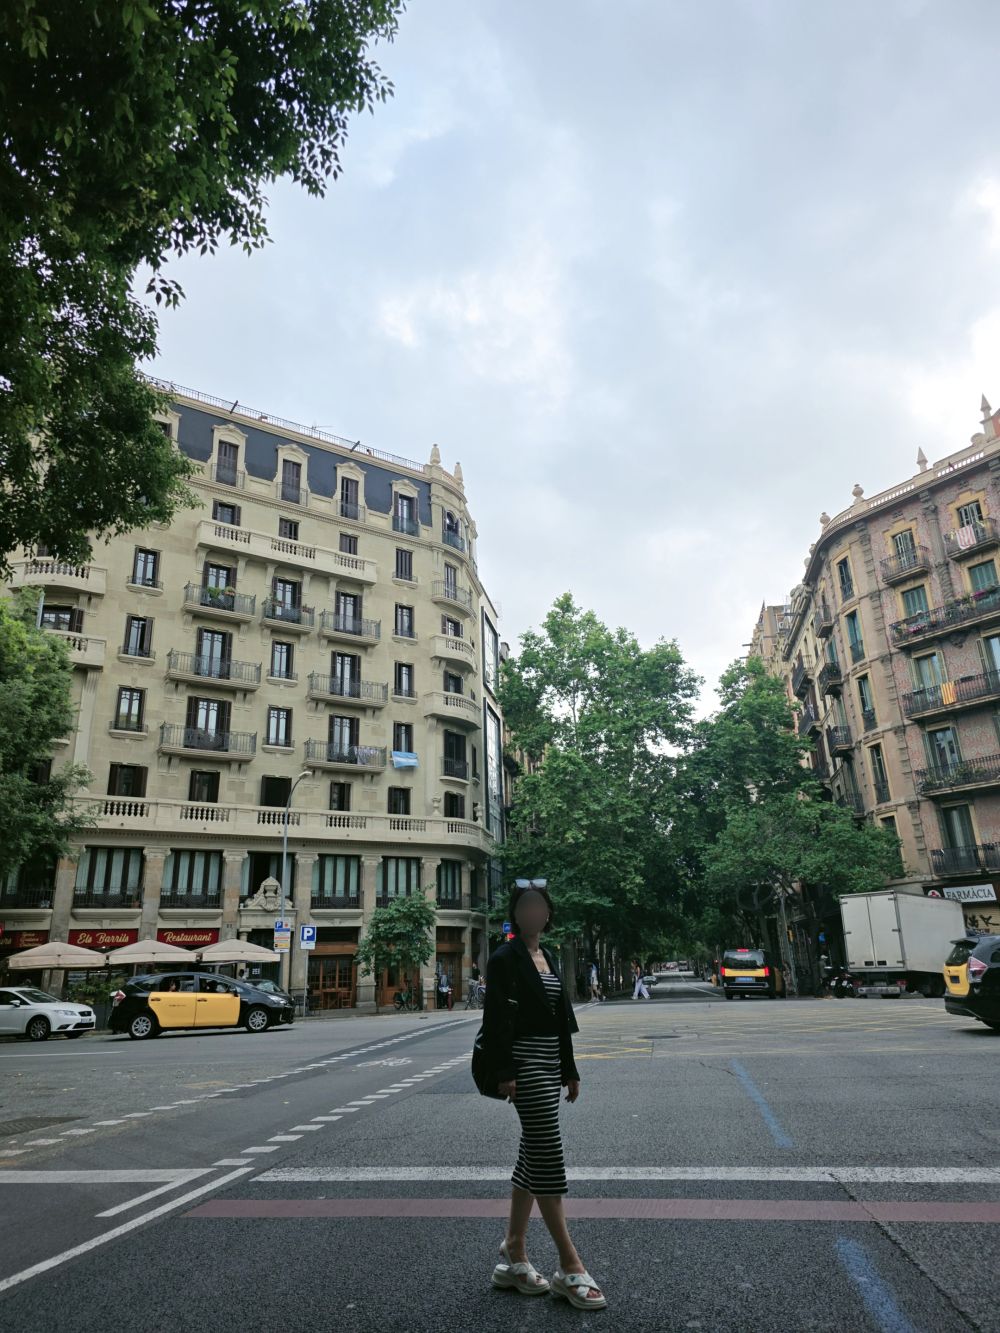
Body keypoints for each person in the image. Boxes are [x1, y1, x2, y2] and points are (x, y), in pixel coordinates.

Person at [480, 883, 606, 1311]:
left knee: (532, 1153)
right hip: (523, 1065)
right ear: (516, 916)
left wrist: (569, 1070)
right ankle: (570, 1267)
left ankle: (514, 1249)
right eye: (525, 907)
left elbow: (559, 1018)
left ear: (548, 915)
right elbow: (496, 1018)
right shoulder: (504, 958)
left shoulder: (547, 956)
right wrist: (505, 1072)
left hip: (550, 1063)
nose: (533, 913)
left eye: (539, 907)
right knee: (548, 1151)